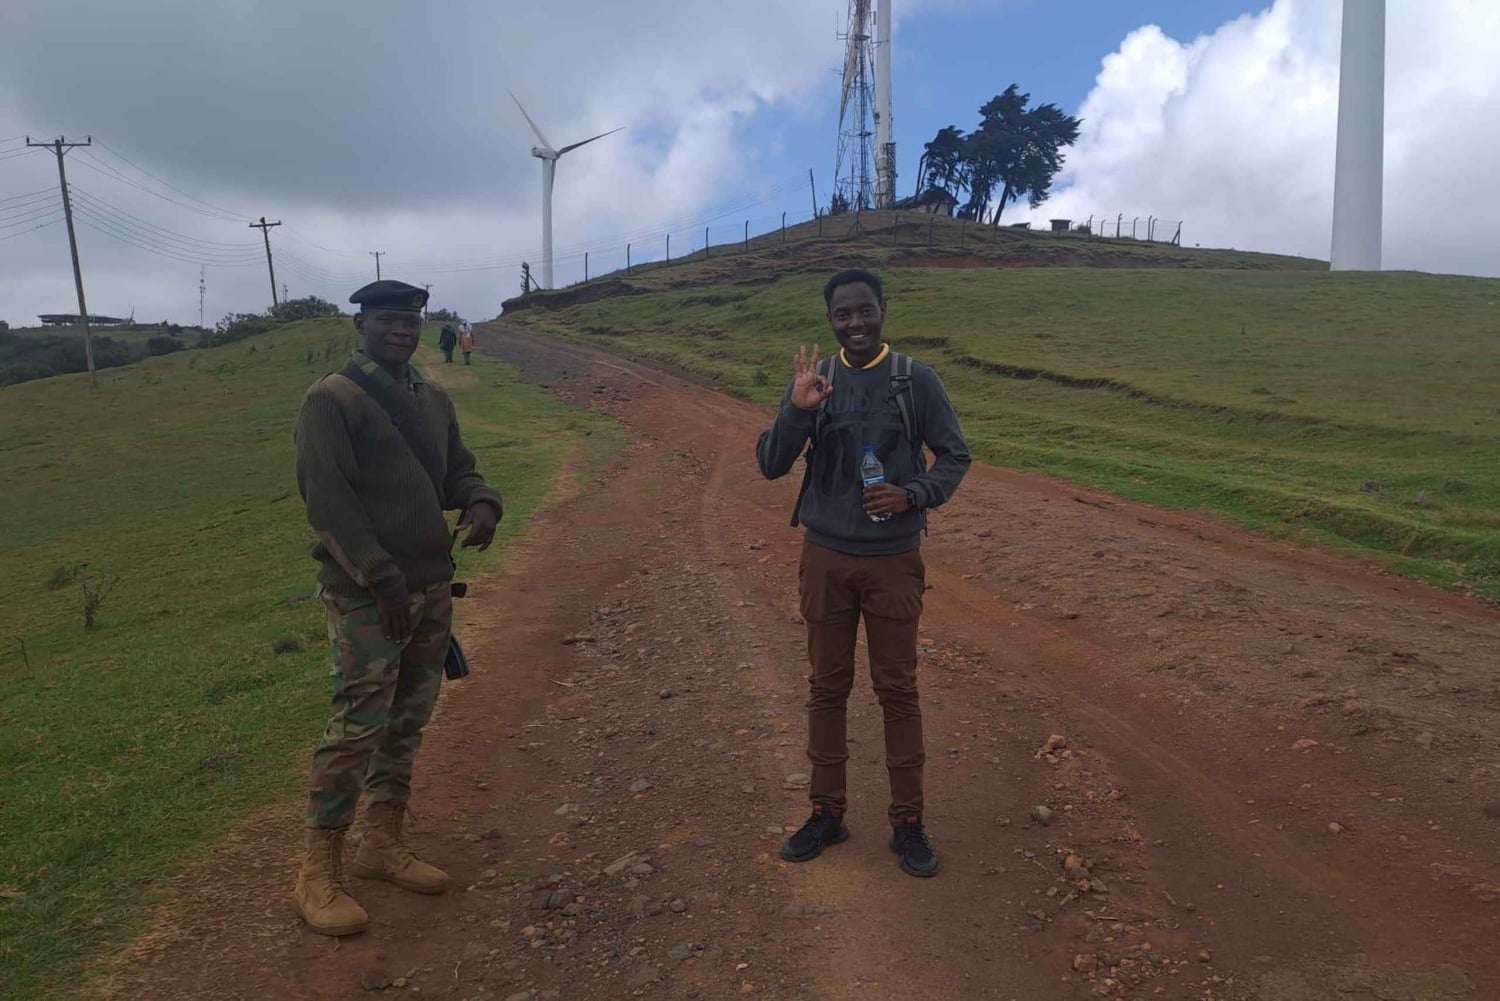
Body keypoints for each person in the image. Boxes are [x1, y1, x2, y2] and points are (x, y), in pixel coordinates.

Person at [291, 279, 504, 936]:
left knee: (407, 719)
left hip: (433, 589)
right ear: (362, 324)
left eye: (411, 321)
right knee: (358, 723)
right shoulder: (332, 398)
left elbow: (457, 471)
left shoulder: (432, 398)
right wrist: (381, 578)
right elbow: (328, 499)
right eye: (388, 320)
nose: (402, 331)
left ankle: (381, 843)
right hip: (368, 594)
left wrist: (482, 501)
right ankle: (318, 869)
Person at [756, 268, 971, 878]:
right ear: (829, 320)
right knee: (827, 687)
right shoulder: (813, 383)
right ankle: (827, 812)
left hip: (893, 560)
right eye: (842, 314)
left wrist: (915, 494)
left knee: (896, 691)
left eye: (863, 310)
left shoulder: (914, 380)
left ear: (882, 309)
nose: (853, 322)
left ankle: (909, 823)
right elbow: (772, 464)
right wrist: (796, 413)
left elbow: (955, 455)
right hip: (825, 556)